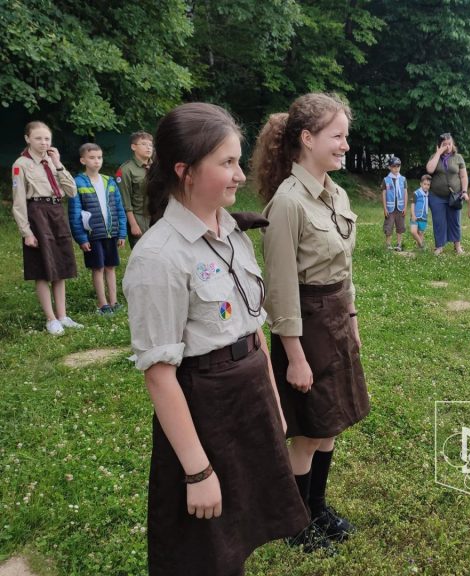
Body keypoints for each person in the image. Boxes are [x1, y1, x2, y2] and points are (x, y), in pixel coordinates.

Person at [122, 103, 309, 576]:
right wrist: (198, 471)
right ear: (184, 171)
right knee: (204, 551)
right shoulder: (158, 258)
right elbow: (161, 377)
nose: (240, 175)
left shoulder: (231, 231)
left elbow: (252, 327)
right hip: (205, 412)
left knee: (238, 534)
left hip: (249, 400)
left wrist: (273, 401)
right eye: (226, 163)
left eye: (237, 161)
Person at [252, 93, 369, 550]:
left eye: (345, 135)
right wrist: (295, 358)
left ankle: (317, 506)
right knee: (308, 431)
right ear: (307, 138)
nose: (345, 144)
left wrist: (353, 319)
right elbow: (280, 290)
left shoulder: (334, 192)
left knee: (332, 422)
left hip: (337, 319)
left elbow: (345, 269)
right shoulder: (288, 202)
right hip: (306, 327)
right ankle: (297, 523)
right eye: (336, 136)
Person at [11, 121, 83, 335]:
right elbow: (18, 202)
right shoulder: (21, 164)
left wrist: (58, 164)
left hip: (56, 212)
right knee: (42, 269)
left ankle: (62, 315)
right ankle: (50, 319)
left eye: (47, 139)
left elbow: (71, 192)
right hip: (37, 214)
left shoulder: (52, 161)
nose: (43, 143)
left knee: (60, 266)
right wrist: (27, 232)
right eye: (38, 138)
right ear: (27, 139)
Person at [69, 143, 128, 314]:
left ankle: (114, 302)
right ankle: (103, 304)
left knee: (111, 267)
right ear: (83, 160)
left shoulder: (109, 181)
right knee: (98, 268)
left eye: (99, 157)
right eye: (92, 158)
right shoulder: (78, 183)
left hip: (111, 232)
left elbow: (119, 208)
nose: (96, 161)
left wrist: (122, 232)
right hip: (92, 234)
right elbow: (74, 213)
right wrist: (82, 238)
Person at [425, 133, 468, 255]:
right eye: (444, 144)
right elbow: (429, 170)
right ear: (439, 145)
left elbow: (463, 176)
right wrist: (438, 153)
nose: (448, 146)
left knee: (455, 220)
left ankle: (457, 246)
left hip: (455, 196)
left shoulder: (458, 157)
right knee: (438, 221)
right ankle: (439, 246)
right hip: (436, 195)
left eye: (449, 144)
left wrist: (464, 191)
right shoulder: (434, 156)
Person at [117, 131, 154, 247]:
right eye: (143, 144)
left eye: (150, 145)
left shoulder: (156, 167)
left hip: (157, 215)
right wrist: (133, 224)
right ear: (133, 147)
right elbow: (125, 200)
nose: (148, 148)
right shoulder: (126, 170)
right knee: (142, 253)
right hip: (139, 217)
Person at [381, 156, 407, 251]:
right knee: (389, 226)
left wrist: (405, 207)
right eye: (394, 166)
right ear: (389, 167)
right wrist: (385, 208)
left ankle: (399, 244)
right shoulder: (386, 180)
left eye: (398, 166)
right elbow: (383, 194)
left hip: (400, 208)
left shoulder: (403, 179)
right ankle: (388, 245)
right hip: (390, 209)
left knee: (400, 226)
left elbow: (405, 193)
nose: (396, 168)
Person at [410, 174, 431, 249]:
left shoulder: (429, 195)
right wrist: (413, 215)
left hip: (424, 217)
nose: (426, 186)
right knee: (413, 232)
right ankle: (422, 245)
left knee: (421, 233)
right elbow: (412, 204)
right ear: (421, 184)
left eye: (428, 185)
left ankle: (420, 249)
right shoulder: (416, 193)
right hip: (415, 216)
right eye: (424, 184)